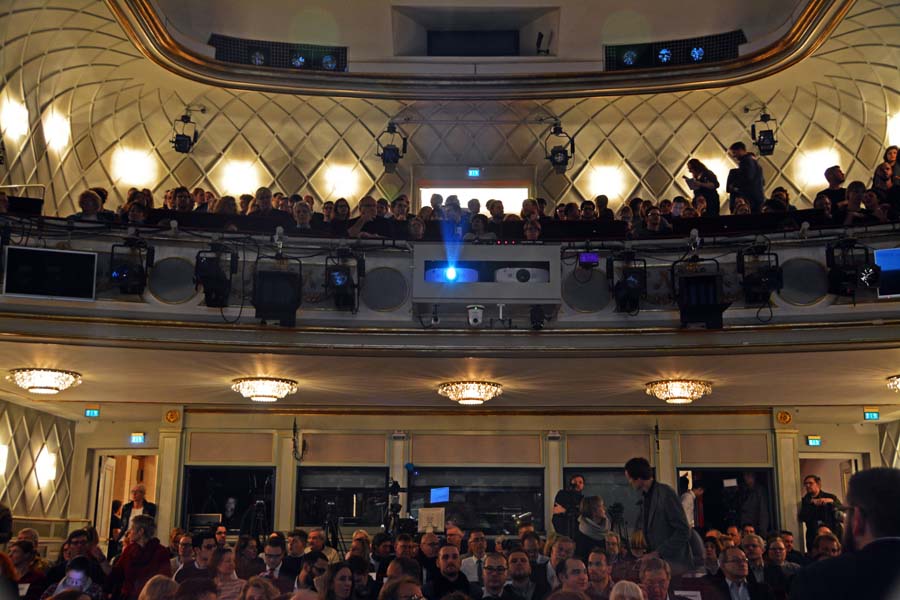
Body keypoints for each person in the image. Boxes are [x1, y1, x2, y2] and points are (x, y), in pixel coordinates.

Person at [791, 468, 900, 599]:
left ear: (857, 520)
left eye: (847, 511)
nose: (807, 486)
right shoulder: (805, 501)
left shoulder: (818, 578)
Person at [624, 458, 692, 570]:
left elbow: (684, 530)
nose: (629, 482)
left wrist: (658, 553)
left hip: (675, 564)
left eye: (630, 479)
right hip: (661, 564)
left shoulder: (666, 493)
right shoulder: (645, 497)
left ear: (639, 478)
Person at [107, 515, 171, 600]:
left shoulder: (161, 552)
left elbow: (163, 581)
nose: (129, 532)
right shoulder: (129, 549)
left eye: (132, 528)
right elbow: (117, 574)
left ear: (141, 531)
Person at [704, 547, 774, 600]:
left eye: (744, 560)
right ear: (723, 565)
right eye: (736, 560)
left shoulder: (763, 589)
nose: (742, 564)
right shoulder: (713, 591)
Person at [797, 475, 840, 552]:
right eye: (805, 484)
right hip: (813, 536)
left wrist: (831, 502)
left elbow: (841, 509)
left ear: (818, 484)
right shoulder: (804, 501)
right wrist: (812, 504)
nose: (807, 486)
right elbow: (802, 517)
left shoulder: (830, 497)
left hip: (833, 533)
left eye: (810, 483)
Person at [727, 142, 765, 213]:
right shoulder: (755, 163)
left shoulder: (746, 161)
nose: (734, 156)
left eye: (734, 153)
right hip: (758, 197)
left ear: (740, 150)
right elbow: (763, 182)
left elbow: (747, 177)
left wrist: (735, 186)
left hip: (751, 198)